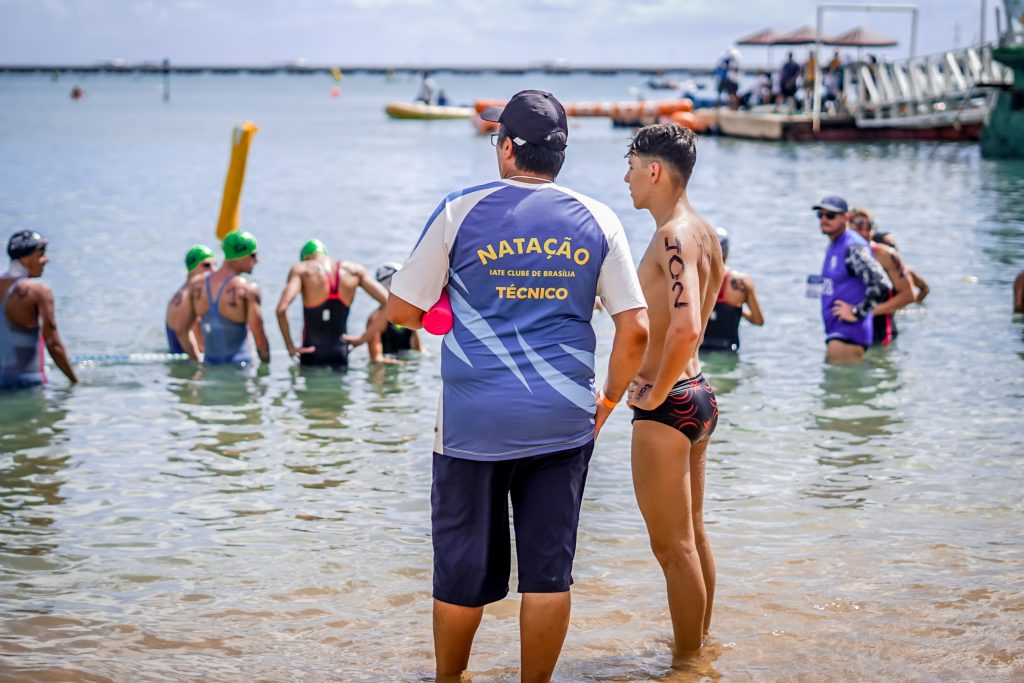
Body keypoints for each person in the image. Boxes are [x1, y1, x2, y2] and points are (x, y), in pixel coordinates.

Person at [384, 89, 649, 683]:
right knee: (547, 573)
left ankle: (450, 680)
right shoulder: (600, 218)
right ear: (559, 155)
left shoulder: (460, 209)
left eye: (495, 137)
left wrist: (443, 306)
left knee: (460, 572)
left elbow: (402, 309)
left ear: (507, 149)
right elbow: (636, 330)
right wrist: (605, 404)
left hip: (473, 426)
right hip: (563, 420)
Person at [622, 123, 724, 661]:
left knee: (672, 547)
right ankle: (699, 649)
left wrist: (655, 391)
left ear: (655, 170)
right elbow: (692, 321)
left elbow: (684, 328)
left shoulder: (671, 236)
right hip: (699, 394)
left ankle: (684, 665)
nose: (627, 178)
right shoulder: (703, 233)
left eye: (632, 167)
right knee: (694, 536)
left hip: (670, 406)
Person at [276, 239, 387, 369]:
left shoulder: (301, 270)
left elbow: (281, 310)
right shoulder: (354, 271)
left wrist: (290, 346)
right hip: (340, 352)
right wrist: (364, 337)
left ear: (305, 258)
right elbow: (388, 302)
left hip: (311, 353)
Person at [811, 196, 889, 364]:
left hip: (848, 337)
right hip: (838, 334)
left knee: (840, 389)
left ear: (845, 218)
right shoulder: (835, 244)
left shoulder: (852, 246)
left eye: (830, 215)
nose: (824, 219)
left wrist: (856, 312)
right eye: (821, 215)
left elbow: (881, 283)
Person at [176, 231, 269, 366]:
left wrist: (198, 360)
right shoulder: (247, 290)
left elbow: (181, 331)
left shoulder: (197, 286)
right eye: (253, 255)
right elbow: (260, 341)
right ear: (240, 256)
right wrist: (264, 374)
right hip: (240, 369)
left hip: (210, 367)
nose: (257, 260)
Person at [1, 230, 77, 388]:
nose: (46, 260)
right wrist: (76, 382)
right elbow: (53, 344)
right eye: (41, 254)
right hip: (28, 383)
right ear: (26, 258)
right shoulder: (37, 292)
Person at [848, 208, 916, 346]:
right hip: (849, 329)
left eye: (869, 227)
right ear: (848, 227)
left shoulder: (886, 255)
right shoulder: (839, 253)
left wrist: (867, 312)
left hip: (881, 335)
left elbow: (909, 295)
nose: (865, 233)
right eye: (860, 227)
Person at [700, 227, 764, 352]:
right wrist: (738, 311)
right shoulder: (742, 282)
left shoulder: (697, 280)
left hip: (700, 350)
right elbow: (758, 320)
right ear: (727, 251)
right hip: (728, 351)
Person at [344, 263, 421, 363]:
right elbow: (376, 359)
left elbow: (419, 350)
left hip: (404, 368)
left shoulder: (408, 313)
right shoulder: (376, 319)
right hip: (388, 370)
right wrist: (406, 364)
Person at [166, 245, 215, 354]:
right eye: (207, 265)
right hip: (190, 363)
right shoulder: (191, 297)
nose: (213, 269)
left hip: (180, 362)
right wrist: (200, 363)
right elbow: (200, 344)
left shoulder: (180, 294)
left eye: (215, 264)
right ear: (193, 267)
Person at [872, 231, 930, 302]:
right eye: (890, 246)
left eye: (894, 245)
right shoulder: (868, 272)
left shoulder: (906, 272)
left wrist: (911, 304)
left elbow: (925, 289)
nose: (893, 249)